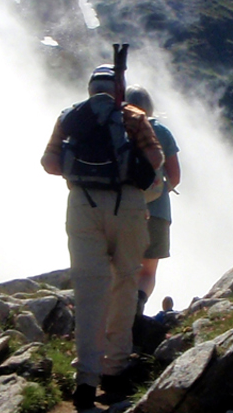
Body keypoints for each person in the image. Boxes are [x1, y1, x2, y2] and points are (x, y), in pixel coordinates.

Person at [40, 64, 165, 408]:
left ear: (90, 88)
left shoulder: (70, 117)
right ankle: (115, 368)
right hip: (127, 206)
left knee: (89, 290)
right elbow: (155, 157)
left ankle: (85, 379)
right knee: (125, 283)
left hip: (82, 205)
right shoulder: (133, 116)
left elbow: (49, 162)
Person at [124, 86, 180, 312]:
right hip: (157, 212)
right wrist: (159, 190)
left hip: (122, 209)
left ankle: (116, 310)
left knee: (120, 266)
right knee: (147, 271)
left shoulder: (119, 130)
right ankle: (138, 302)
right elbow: (175, 176)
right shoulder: (162, 132)